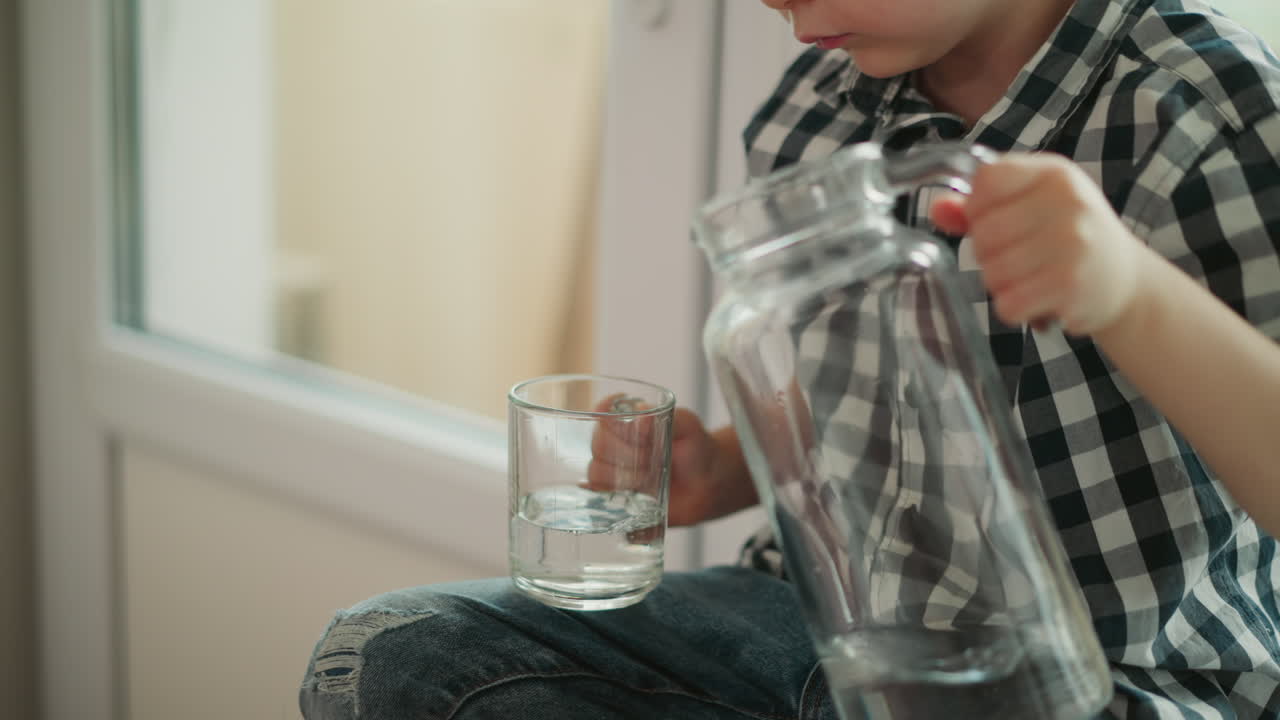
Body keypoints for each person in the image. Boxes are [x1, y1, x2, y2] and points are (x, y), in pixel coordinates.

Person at [299, 0, 1280, 718]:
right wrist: (723, 470)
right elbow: (857, 411)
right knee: (396, 657)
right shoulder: (818, 107)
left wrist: (1133, 296)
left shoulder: (1201, 114)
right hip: (814, 637)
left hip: (1117, 681)